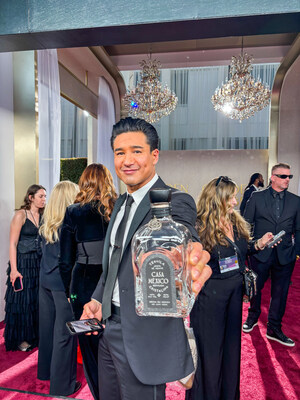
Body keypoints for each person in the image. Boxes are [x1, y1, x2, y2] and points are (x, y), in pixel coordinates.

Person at [81, 117, 212, 400]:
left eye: (136, 151)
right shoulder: (119, 203)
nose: (127, 160)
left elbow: (182, 236)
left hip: (146, 338)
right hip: (109, 328)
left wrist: (188, 256)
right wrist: (96, 299)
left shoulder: (175, 201)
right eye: (120, 152)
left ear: (154, 155)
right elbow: (113, 262)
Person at [186, 176, 272, 400]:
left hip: (234, 296)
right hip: (209, 298)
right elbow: (192, 264)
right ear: (217, 200)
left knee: (231, 351)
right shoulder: (199, 226)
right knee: (210, 354)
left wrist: (259, 244)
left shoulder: (235, 222)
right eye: (231, 197)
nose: (235, 202)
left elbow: (241, 252)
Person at [59, 163, 117, 400]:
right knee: (115, 344)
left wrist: (67, 291)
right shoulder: (118, 208)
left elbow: (65, 261)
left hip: (82, 286)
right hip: (113, 283)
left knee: (91, 347)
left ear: (84, 182)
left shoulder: (74, 212)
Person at [242, 163, 300, 346]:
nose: (287, 180)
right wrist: (251, 247)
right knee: (255, 288)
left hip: (285, 256)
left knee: (280, 293)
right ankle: (253, 317)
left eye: (289, 177)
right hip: (260, 254)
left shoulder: (295, 201)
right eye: (283, 176)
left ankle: (274, 327)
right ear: (272, 177)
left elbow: (298, 229)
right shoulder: (256, 198)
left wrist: (295, 252)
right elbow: (245, 225)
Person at [37, 181, 81, 396]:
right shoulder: (71, 223)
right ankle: (63, 386)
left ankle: (46, 372)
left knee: (48, 332)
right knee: (65, 335)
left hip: (45, 282)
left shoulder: (47, 222)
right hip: (63, 286)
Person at [4, 184, 46, 351]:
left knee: (36, 300)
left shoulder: (43, 215)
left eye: (45, 196)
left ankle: (34, 335)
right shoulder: (20, 215)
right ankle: (21, 338)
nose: (44, 199)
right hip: (22, 263)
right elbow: (13, 244)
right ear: (31, 197)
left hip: (38, 263)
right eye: (41, 196)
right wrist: (14, 270)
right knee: (23, 302)